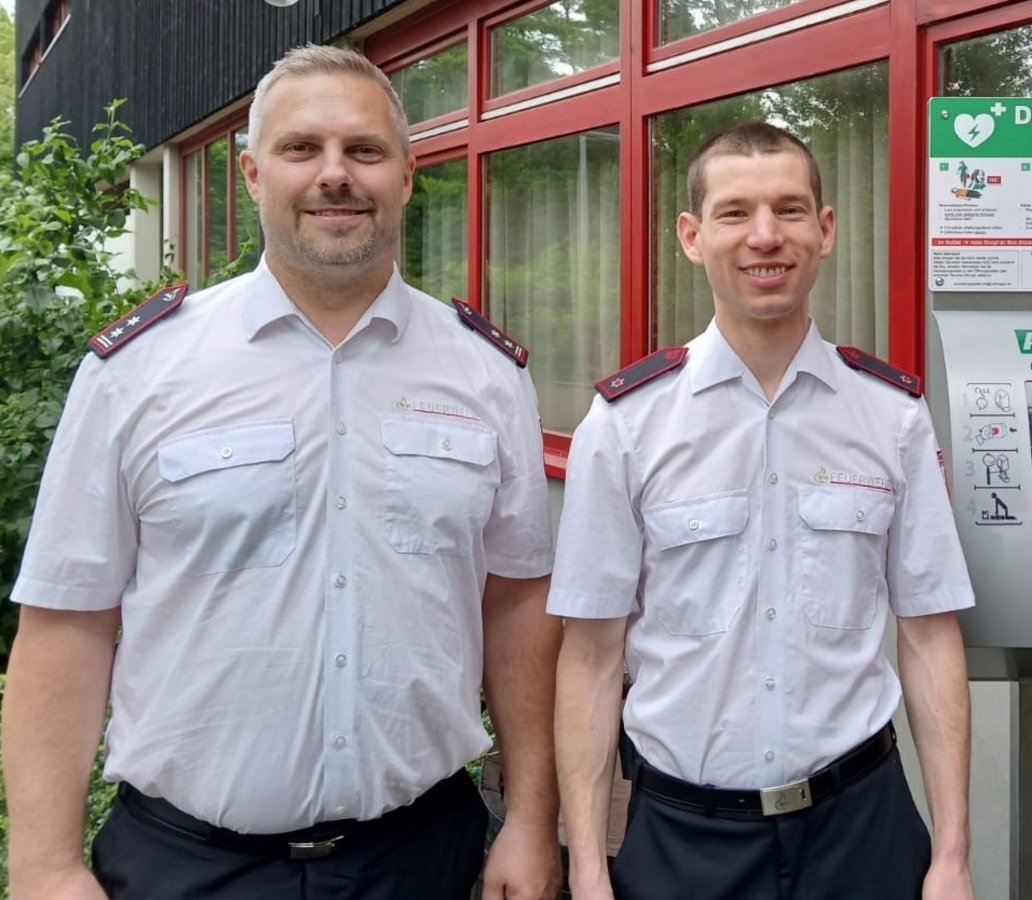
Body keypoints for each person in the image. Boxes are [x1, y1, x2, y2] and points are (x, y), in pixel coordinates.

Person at [0, 45, 563, 900]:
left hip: (423, 861)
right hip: (187, 868)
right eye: (303, 149)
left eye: (365, 151)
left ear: (407, 176)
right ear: (253, 173)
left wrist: (528, 818)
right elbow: (66, 623)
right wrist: (44, 865)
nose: (335, 175)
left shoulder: (486, 373)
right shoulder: (138, 370)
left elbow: (518, 604)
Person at [550, 122, 977, 900]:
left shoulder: (893, 416)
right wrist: (585, 868)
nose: (765, 236)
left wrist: (952, 853)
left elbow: (928, 631)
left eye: (788, 209)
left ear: (826, 229)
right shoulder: (625, 425)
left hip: (863, 830)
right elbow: (590, 656)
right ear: (691, 235)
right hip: (684, 842)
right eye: (735, 212)